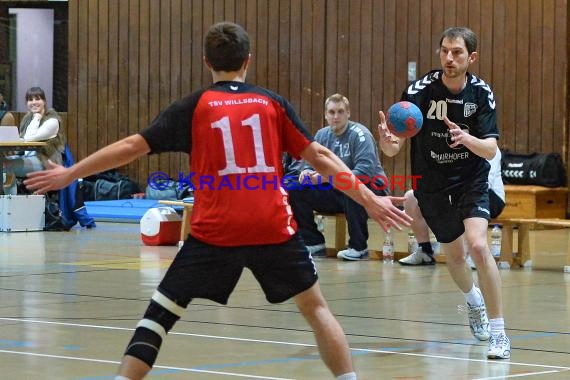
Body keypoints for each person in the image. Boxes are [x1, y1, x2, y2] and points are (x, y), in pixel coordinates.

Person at [25, 22, 411, 380]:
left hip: (214, 231)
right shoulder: (271, 103)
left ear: (206, 61)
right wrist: (368, 199)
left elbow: (130, 147)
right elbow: (322, 159)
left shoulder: (194, 106)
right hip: (271, 226)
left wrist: (70, 173)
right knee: (317, 310)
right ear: (248, 60)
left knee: (158, 316)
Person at [376, 27, 510, 359]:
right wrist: (387, 143)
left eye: (457, 53)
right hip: (432, 184)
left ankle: (499, 332)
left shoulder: (481, 94)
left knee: (478, 246)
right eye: (444, 51)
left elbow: (491, 149)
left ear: (471, 58)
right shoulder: (419, 90)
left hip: (470, 179)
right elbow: (394, 149)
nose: (449, 58)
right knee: (454, 257)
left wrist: (467, 140)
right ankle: (472, 299)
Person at [288, 94, 390, 261]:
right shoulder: (321, 135)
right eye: (332, 112)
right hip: (337, 190)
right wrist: (306, 173)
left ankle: (359, 247)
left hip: (373, 189)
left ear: (348, 113)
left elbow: (364, 172)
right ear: (326, 115)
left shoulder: (359, 134)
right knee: (293, 188)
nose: (336, 116)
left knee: (352, 186)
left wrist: (324, 179)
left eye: (340, 112)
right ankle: (313, 242)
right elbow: (309, 163)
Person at [393, 147, 505, 267]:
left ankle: (473, 254)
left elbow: (485, 181)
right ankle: (425, 252)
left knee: (464, 198)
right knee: (411, 197)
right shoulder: (447, 147)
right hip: (452, 192)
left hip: (489, 196)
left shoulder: (487, 145)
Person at [3, 87, 65, 194]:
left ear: (44, 101)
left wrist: (36, 118)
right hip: (28, 157)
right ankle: (6, 204)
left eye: (37, 99)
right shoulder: (27, 119)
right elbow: (24, 140)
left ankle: (11, 207)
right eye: (30, 100)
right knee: (2, 163)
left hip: (46, 161)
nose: (34, 102)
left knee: (8, 166)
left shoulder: (52, 121)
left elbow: (29, 138)